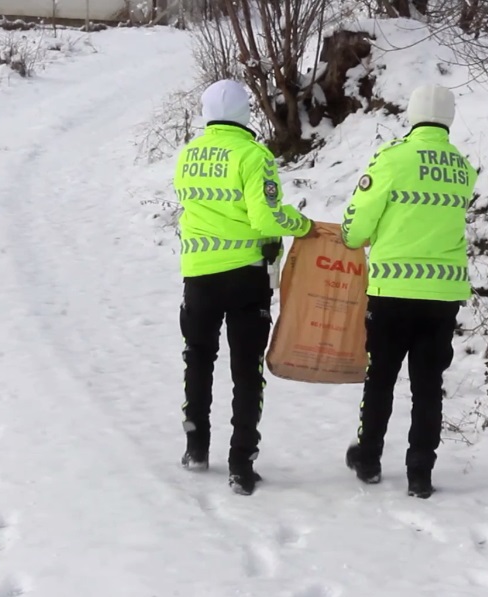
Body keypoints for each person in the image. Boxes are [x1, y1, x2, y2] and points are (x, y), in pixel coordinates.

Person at [174, 79, 316, 496]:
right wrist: (302, 225)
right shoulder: (254, 156)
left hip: (198, 273)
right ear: (245, 113)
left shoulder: (188, 155)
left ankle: (196, 448)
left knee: (198, 358)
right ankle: (241, 464)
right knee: (246, 371)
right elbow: (265, 217)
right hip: (246, 276)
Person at [339, 84, 478, 499]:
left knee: (380, 378)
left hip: (393, 291)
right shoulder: (462, 168)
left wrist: (351, 236)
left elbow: (357, 224)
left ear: (412, 114)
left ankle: (369, 458)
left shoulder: (391, 158)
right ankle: (420, 472)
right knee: (428, 385)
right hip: (442, 295)